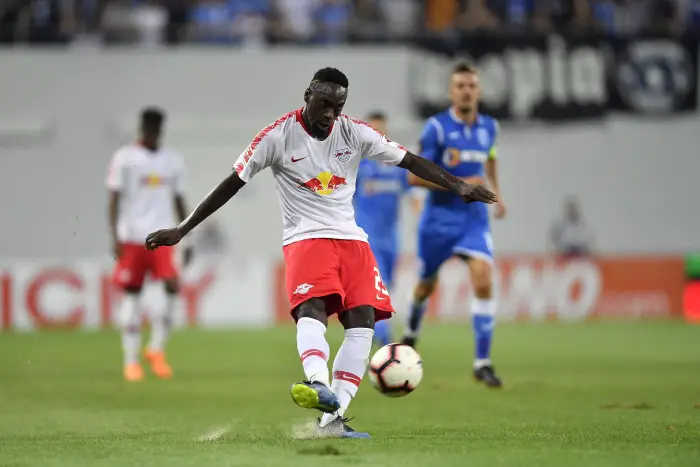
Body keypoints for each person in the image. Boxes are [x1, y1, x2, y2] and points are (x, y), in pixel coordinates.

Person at [144, 68, 496, 438]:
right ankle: (316, 381)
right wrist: (182, 229)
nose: (330, 113)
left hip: (352, 240)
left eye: (338, 106)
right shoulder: (276, 136)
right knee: (313, 308)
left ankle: (333, 420)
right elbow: (231, 184)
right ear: (308, 95)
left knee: (363, 321)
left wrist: (459, 185)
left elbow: (410, 160)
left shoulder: (355, 132)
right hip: (307, 238)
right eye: (324, 103)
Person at [401, 62, 506, 389]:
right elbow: (414, 176)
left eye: (472, 85)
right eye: (460, 85)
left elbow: (490, 158)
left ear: (479, 91)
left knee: (483, 277)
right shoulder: (438, 129)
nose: (466, 90)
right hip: (438, 223)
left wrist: (497, 193)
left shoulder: (490, 127)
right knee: (425, 287)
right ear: (451, 92)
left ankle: (482, 362)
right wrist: (461, 183)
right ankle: (411, 335)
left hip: (473, 221)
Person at [107, 107, 192, 382]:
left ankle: (155, 349)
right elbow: (114, 199)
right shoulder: (125, 158)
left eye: (157, 130)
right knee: (132, 293)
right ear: (142, 128)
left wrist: (186, 235)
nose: (153, 134)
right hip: (132, 237)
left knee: (171, 288)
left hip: (163, 234)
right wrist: (114, 236)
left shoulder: (172, 161)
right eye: (149, 129)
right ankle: (130, 360)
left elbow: (179, 201)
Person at [354, 111, 420, 347]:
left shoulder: (396, 162)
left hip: (391, 236)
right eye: (373, 131)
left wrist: (420, 216)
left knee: (387, 285)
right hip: (366, 235)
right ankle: (384, 336)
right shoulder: (357, 163)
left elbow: (411, 191)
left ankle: (372, 326)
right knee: (377, 283)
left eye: (381, 130)